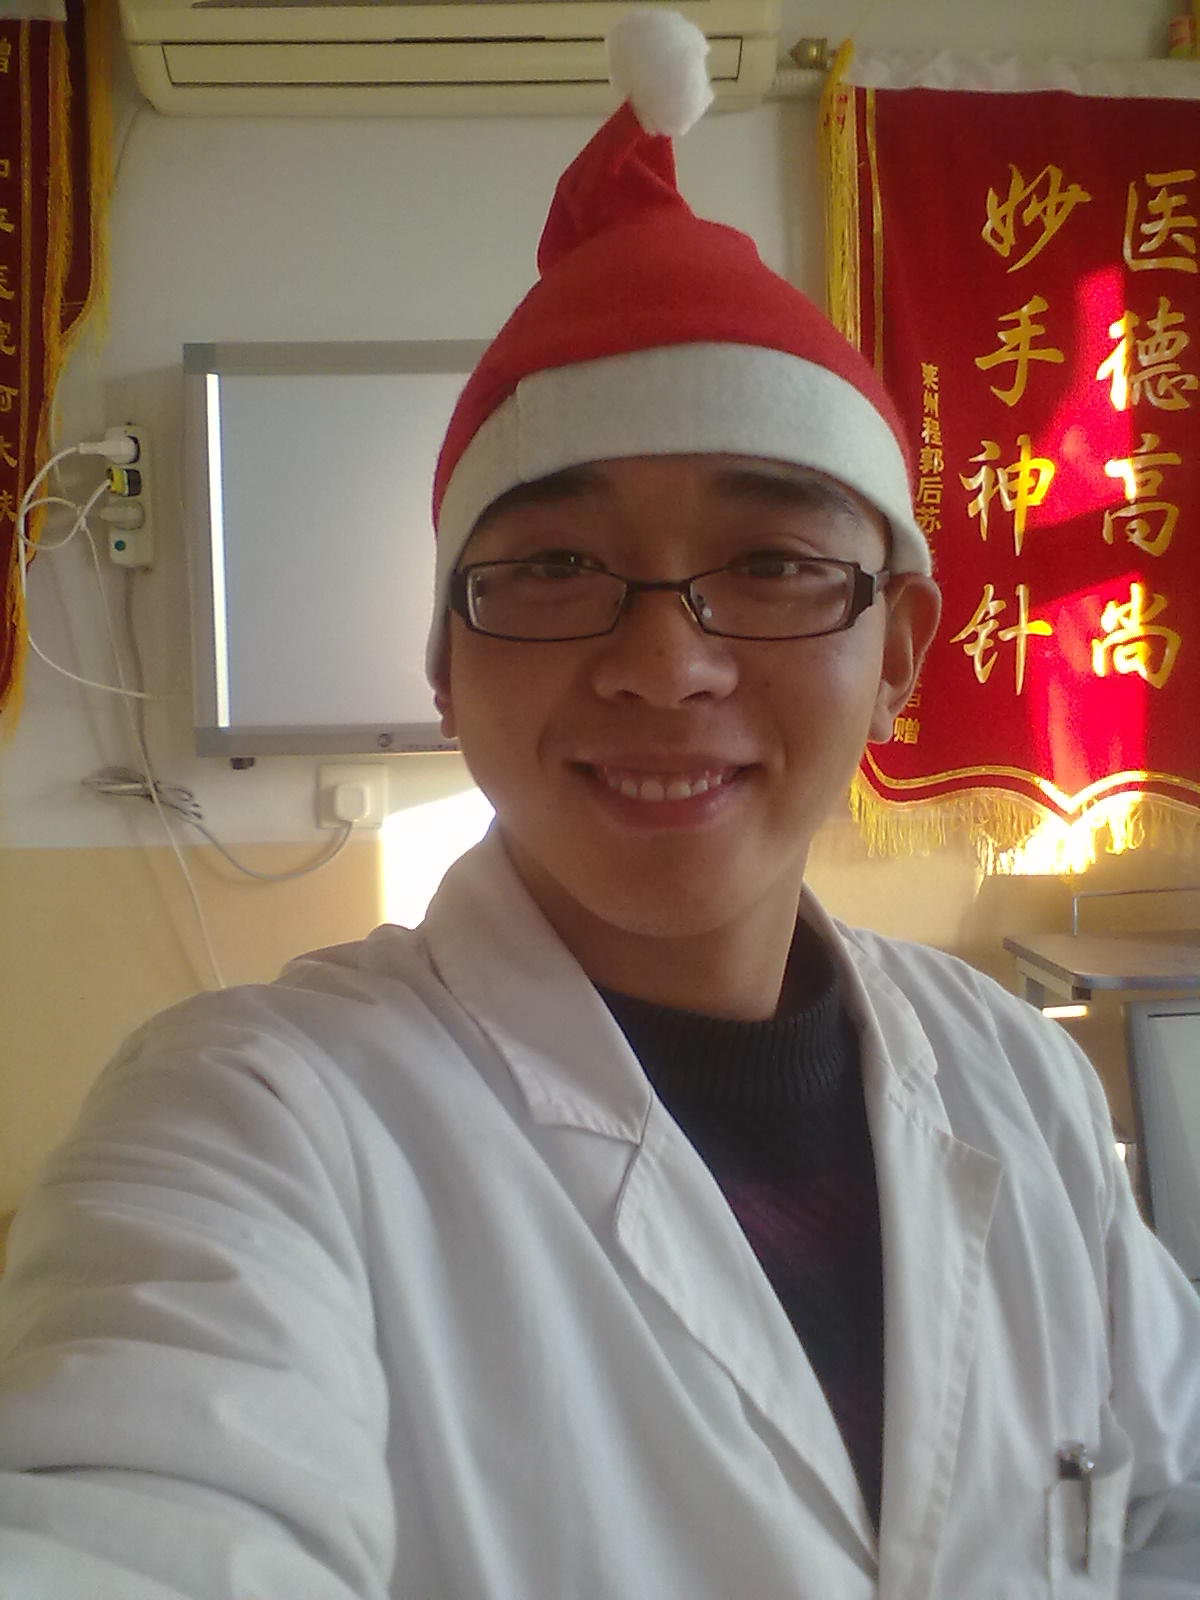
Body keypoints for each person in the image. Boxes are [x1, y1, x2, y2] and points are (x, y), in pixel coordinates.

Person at [1, 11, 1198, 1598]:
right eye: (556, 565)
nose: (664, 663)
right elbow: (139, 1513)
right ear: (445, 661)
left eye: (772, 563)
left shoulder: (1021, 1086)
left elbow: (1166, 1511)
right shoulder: (257, 1117)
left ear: (900, 650)